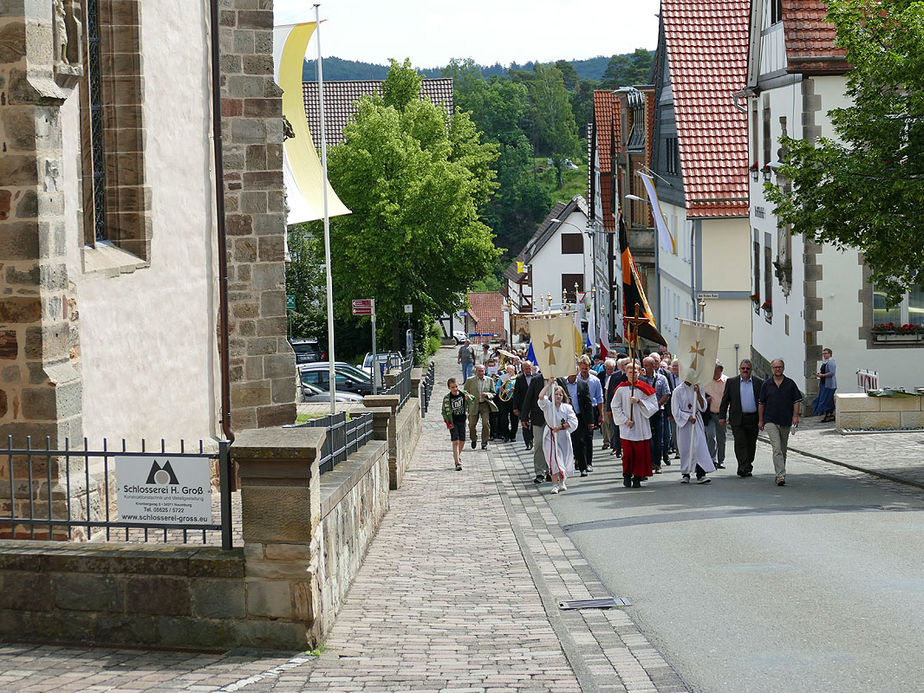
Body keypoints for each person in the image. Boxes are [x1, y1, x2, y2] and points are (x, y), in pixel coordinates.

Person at [611, 362, 659, 488]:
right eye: (630, 372)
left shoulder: (645, 388)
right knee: (628, 454)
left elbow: (654, 405)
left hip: (641, 426)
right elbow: (615, 406)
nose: (633, 375)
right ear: (626, 374)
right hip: (627, 427)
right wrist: (625, 420)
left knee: (639, 454)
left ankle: (637, 477)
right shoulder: (621, 389)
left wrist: (639, 401)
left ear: (640, 373)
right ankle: (627, 475)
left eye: (635, 372)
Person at [758, 359, 803, 486]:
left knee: (783, 449)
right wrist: (760, 420)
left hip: (785, 420)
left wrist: (795, 416)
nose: (777, 369)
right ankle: (780, 475)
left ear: (783, 368)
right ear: (772, 368)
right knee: (776, 448)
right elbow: (761, 403)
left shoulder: (790, 383)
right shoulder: (766, 384)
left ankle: (780, 472)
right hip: (770, 420)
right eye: (775, 367)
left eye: (780, 367)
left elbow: (797, 401)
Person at [719, 359, 763, 477]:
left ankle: (747, 465)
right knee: (740, 442)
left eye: (747, 369)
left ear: (751, 370)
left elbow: (763, 402)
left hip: (753, 418)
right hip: (737, 418)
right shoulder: (732, 382)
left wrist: (763, 419)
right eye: (743, 368)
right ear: (740, 369)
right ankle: (742, 466)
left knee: (751, 443)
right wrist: (722, 416)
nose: (745, 371)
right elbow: (725, 400)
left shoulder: (759, 383)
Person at [671, 379, 716, 484]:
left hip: (696, 420)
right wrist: (687, 417)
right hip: (684, 423)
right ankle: (686, 473)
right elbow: (675, 410)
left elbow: (703, 407)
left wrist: (698, 393)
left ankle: (701, 473)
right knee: (686, 447)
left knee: (699, 446)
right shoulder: (678, 391)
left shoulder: (699, 387)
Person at [538, 377, 578, 494]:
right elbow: (541, 397)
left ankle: (562, 482)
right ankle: (554, 484)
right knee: (553, 459)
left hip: (562, 436)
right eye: (556, 394)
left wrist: (561, 427)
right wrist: (549, 384)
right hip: (550, 436)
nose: (558, 396)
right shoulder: (548, 405)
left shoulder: (567, 407)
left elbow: (573, 421)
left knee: (563, 460)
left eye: (560, 394)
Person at [558, 368, 594, 477]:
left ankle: (583, 466)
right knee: (567, 442)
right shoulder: (562, 383)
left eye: (575, 373)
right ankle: (566, 467)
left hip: (578, 417)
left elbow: (588, 403)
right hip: (565, 416)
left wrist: (590, 421)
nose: (573, 375)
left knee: (580, 442)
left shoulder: (582, 384)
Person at [519, 364, 551, 483]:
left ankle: (551, 471)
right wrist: (524, 418)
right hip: (538, 418)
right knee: (538, 444)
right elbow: (528, 399)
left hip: (554, 419)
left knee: (552, 445)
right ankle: (539, 472)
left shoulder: (559, 380)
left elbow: (566, 398)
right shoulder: (536, 380)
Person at [640, 356, 671, 474]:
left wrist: (656, 405)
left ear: (654, 366)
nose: (645, 368)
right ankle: (649, 463)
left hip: (658, 412)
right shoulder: (641, 379)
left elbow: (666, 394)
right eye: (644, 365)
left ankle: (658, 463)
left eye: (647, 365)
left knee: (658, 439)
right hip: (645, 412)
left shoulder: (661, 378)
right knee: (647, 438)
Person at [576, 355, 604, 470]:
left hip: (591, 410)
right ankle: (578, 460)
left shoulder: (595, 380)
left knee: (588, 437)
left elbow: (599, 398)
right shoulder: (575, 380)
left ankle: (588, 462)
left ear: (589, 367)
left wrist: (600, 414)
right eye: (582, 368)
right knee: (577, 437)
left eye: (586, 368)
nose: (584, 371)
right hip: (578, 410)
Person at [441, 378, 474, 471]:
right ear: (449, 388)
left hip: (462, 420)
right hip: (453, 421)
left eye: (456, 386)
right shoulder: (447, 398)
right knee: (455, 441)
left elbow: (472, 401)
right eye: (453, 387)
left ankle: (457, 456)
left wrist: (468, 399)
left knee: (462, 441)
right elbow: (443, 411)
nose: (455, 389)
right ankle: (457, 463)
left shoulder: (463, 394)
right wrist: (447, 422)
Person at [463, 364, 497, 450]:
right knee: (471, 425)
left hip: (484, 405)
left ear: (484, 371)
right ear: (476, 371)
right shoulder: (470, 380)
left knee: (486, 424)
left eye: (482, 371)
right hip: (473, 405)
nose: (480, 372)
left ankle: (484, 443)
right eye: (479, 371)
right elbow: (465, 392)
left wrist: (487, 394)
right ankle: (473, 439)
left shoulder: (489, 380)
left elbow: (493, 393)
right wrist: (466, 396)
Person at [703, 361, 728, 469]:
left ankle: (721, 460)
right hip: (709, 414)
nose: (713, 374)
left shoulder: (727, 381)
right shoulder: (706, 380)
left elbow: (730, 398)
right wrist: (705, 400)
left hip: (721, 414)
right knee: (710, 435)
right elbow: (700, 395)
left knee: (721, 438)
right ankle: (712, 459)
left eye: (715, 372)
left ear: (721, 371)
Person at [512, 361, 538, 451]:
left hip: (535, 405)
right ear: (523, 369)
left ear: (532, 368)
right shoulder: (519, 379)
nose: (528, 370)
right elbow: (516, 394)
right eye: (526, 368)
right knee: (525, 424)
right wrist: (515, 407)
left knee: (535, 424)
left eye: (529, 368)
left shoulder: (536, 377)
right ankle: (528, 443)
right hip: (523, 406)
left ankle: (534, 439)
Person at [812, 347, 837, 422]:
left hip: (829, 385)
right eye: (823, 353)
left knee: (827, 399)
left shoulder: (831, 361)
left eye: (825, 353)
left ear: (829, 354)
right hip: (824, 383)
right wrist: (820, 374)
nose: (824, 355)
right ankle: (828, 415)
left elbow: (832, 373)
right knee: (823, 399)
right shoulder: (825, 362)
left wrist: (822, 375)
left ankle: (829, 414)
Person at [495, 364, 518, 442]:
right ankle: (506, 435)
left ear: (514, 371)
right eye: (507, 371)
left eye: (510, 371)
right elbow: (496, 387)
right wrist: (500, 388)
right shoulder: (502, 378)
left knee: (514, 419)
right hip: (504, 400)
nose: (509, 373)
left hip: (514, 400)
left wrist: (516, 390)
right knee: (504, 419)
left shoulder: (517, 378)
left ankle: (513, 435)